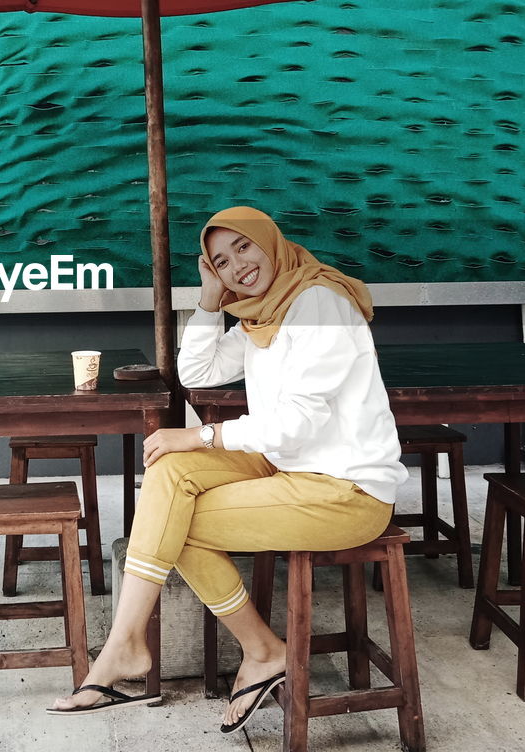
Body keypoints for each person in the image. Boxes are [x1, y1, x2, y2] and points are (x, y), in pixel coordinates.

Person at [48, 206, 408, 732]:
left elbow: (298, 423)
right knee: (171, 476)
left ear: (270, 241)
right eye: (221, 260)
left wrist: (202, 434)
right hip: (292, 470)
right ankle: (136, 646)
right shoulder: (264, 314)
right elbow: (197, 372)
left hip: (347, 489)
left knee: (174, 519)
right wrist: (210, 303)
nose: (237, 265)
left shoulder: (319, 304)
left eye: (243, 247)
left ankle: (238, 650)